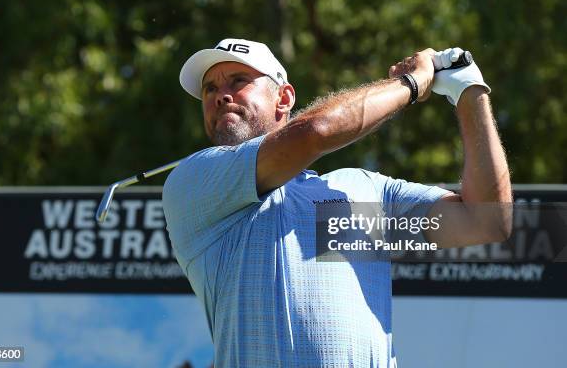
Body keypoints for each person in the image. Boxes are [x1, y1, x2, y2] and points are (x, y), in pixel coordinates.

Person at [163, 38, 512, 367]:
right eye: (210, 88)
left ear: (283, 99)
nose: (220, 96)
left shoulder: (362, 192)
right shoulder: (195, 182)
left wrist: (468, 92)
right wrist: (411, 83)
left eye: (238, 81)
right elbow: (314, 133)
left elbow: (486, 221)